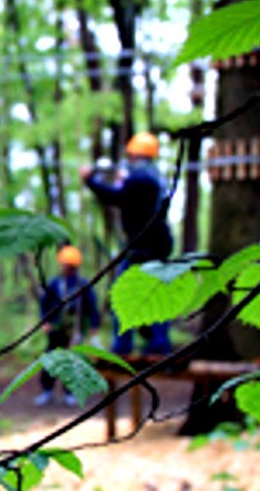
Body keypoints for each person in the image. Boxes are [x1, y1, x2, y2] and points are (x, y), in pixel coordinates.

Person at [80, 131, 173, 356]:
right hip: (153, 247)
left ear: (135, 155)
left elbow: (116, 197)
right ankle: (154, 344)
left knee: (126, 298)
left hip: (144, 250)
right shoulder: (154, 178)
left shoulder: (141, 179)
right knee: (154, 297)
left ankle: (129, 347)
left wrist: (89, 181)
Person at [35, 245, 101, 407]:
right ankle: (47, 391)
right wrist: (45, 322)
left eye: (70, 266)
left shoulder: (82, 284)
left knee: (72, 363)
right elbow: (44, 304)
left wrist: (94, 326)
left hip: (75, 331)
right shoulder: (54, 283)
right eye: (65, 265)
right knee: (51, 360)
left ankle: (70, 394)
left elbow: (92, 306)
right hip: (56, 330)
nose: (66, 268)